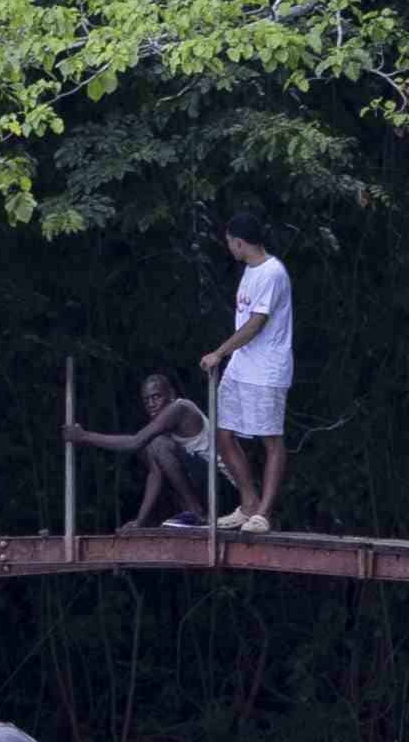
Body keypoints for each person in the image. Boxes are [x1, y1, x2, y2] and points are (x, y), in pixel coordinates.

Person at [199, 210, 295, 533]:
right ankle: (248, 504)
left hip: (267, 368)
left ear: (239, 243)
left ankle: (263, 514)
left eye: (230, 243)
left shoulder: (271, 272)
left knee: (271, 439)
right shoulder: (250, 271)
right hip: (242, 366)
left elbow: (256, 323)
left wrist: (219, 352)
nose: (229, 248)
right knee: (223, 433)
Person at [69, 371, 244, 530]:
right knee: (156, 444)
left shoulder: (180, 409)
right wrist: (139, 521)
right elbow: (155, 474)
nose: (151, 404)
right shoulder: (163, 429)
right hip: (209, 489)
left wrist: (85, 436)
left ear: (171, 395)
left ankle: (197, 513)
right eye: (146, 400)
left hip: (225, 489)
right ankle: (195, 513)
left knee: (157, 443)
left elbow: (135, 442)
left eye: (156, 397)